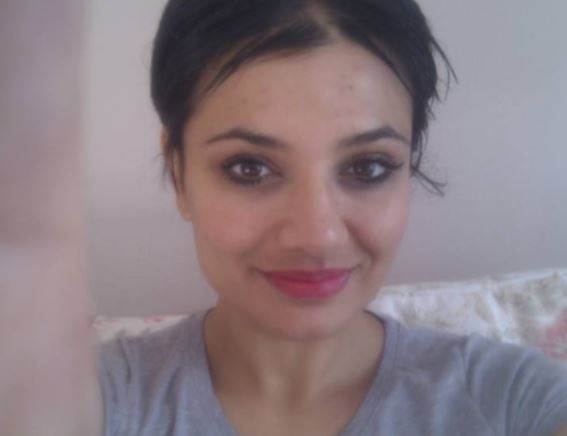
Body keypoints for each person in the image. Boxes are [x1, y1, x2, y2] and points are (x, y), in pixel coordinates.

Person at [95, 1, 567, 435]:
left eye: (368, 168)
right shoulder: (97, 397)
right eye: (249, 168)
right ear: (178, 173)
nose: (317, 236)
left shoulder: (513, 400)